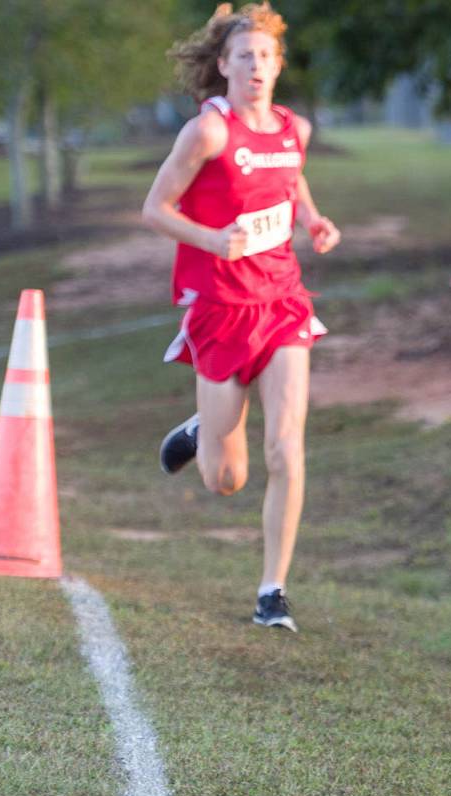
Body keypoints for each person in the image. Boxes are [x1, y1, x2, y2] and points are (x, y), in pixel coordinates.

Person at [141, 2, 339, 632]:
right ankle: (208, 426)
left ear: (279, 66)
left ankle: (272, 591)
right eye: (245, 56)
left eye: (267, 56)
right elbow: (155, 208)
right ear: (223, 65)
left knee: (287, 447)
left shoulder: (293, 129)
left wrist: (312, 219)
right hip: (221, 307)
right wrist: (210, 239)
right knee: (226, 478)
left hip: (282, 300)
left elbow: (292, 179)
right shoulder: (208, 133)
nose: (257, 66)